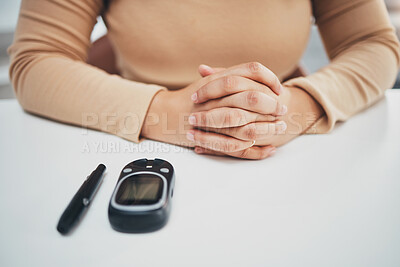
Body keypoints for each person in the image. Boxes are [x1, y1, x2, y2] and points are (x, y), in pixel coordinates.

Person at [8, 0, 400, 159]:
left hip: (283, 151)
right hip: (133, 146)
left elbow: (373, 43)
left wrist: (292, 109)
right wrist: (165, 112)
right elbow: (35, 59)